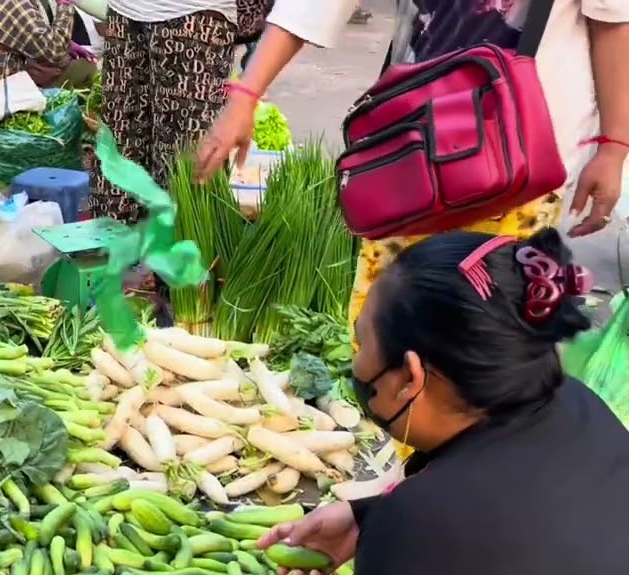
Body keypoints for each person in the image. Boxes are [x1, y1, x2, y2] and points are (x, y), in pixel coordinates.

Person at [257, 228, 629, 575]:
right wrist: (367, 517)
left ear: (410, 377)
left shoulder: (426, 521)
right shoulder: (577, 405)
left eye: (361, 341)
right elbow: (526, 529)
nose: (356, 360)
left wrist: (394, 535)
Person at [195, 0, 628, 337]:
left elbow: (611, 20)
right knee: (385, 328)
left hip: (521, 164)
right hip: (410, 152)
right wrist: (246, 94)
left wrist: (613, 145)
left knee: (487, 337)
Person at [88, 0, 271, 221]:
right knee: (120, 157)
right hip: (124, 11)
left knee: (185, 175)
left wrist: (247, 96)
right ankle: (119, 239)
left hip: (195, 17)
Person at [0, 0, 98, 90]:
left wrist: (68, 44)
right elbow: (55, 52)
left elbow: (32, 34)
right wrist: (65, 4)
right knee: (86, 68)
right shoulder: (16, 4)